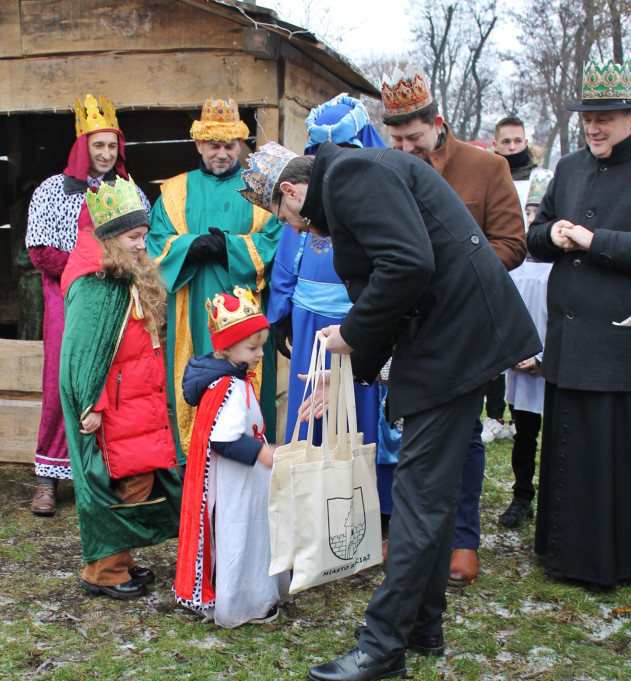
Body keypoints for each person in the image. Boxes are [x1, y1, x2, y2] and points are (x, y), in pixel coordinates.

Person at [238, 141, 540, 681]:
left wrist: (350, 339)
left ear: (290, 192)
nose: (300, 233)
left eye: (289, 221)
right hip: (455, 339)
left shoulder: (351, 174)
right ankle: (422, 626)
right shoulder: (354, 175)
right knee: (431, 492)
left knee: (419, 496)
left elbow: (407, 263)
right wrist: (349, 367)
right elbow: (399, 274)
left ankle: (382, 646)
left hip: (456, 342)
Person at [381, 68, 527, 586]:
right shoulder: (387, 169)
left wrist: (453, 271)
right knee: (409, 428)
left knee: (464, 435)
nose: (405, 148)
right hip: (412, 327)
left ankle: (463, 539)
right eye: (395, 139)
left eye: (413, 138)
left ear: (436, 124)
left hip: (467, 327)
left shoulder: (485, 168)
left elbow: (513, 243)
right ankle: (410, 531)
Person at [267, 94, 400, 544]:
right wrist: (281, 310)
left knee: (365, 415)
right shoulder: (308, 191)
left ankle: (370, 508)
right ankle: (312, 504)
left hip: (360, 321)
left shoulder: (374, 188)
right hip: (308, 320)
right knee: (312, 406)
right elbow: (290, 247)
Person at [527, 59, 631, 589]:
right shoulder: (568, 167)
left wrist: (596, 242)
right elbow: (535, 234)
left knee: (606, 450)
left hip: (615, 338)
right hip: (566, 336)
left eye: (606, 116)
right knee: (564, 444)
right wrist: (557, 235)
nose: (595, 125)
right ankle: (561, 549)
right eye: (589, 115)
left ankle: (604, 561)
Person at [25, 93, 149, 516]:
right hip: (68, 298)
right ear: (82, 145)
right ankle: (48, 476)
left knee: (115, 385)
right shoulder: (51, 192)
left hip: (118, 301)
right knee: (65, 384)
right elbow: (41, 252)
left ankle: (105, 473)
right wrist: (95, 268)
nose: (106, 154)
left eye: (112, 146)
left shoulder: (129, 191)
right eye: (98, 145)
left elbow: (143, 247)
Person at [59, 176, 181, 599]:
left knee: (137, 481)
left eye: (144, 236)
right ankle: (105, 572)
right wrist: (91, 403)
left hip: (137, 403)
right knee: (122, 486)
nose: (141, 244)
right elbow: (82, 357)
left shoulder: (122, 278)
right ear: (110, 239)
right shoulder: (95, 287)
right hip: (112, 409)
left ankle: (119, 562)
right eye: (133, 236)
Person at [146, 98, 283, 465]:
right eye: (213, 146)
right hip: (192, 308)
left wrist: (228, 247)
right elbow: (155, 243)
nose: (221, 154)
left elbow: (275, 243)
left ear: (241, 144)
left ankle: (253, 464)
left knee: (249, 384)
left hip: (248, 314)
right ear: (198, 145)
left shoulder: (261, 191)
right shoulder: (173, 193)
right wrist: (191, 247)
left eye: (230, 145)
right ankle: (194, 468)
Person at [173, 287, 289, 626]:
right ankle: (244, 601)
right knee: (240, 535)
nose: (259, 354)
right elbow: (223, 440)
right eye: (252, 348)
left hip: (241, 480)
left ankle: (247, 596)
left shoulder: (231, 380)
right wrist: (261, 452)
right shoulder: (229, 387)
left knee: (246, 534)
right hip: (235, 485)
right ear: (226, 347)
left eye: (261, 347)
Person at [483, 115, 547, 443]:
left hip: (535, 274)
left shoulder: (542, 178)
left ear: (526, 141)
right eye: (505, 142)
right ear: (495, 145)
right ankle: (494, 414)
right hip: (501, 272)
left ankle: (523, 422)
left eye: (517, 141)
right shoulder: (489, 175)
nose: (511, 146)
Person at [499, 169, 554, 528]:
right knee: (525, 433)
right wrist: (513, 352)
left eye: (541, 213)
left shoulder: (562, 265)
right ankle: (522, 496)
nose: (533, 220)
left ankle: (553, 500)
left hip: (551, 361)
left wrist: (544, 357)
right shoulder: (515, 263)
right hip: (521, 361)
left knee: (557, 435)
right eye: (529, 212)